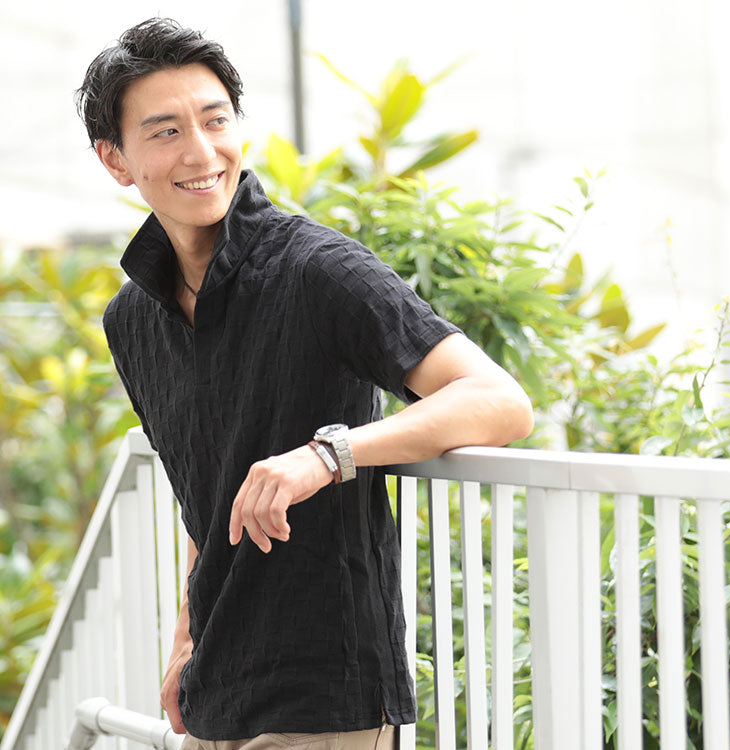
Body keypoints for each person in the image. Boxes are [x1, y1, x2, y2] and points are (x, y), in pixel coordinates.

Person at [76, 17, 534, 750]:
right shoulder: (132, 318)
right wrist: (186, 641)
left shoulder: (318, 269)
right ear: (116, 159)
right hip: (216, 688)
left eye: (215, 120)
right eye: (165, 132)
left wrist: (328, 455)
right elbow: (204, 494)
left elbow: (501, 402)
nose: (201, 151)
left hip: (327, 693)